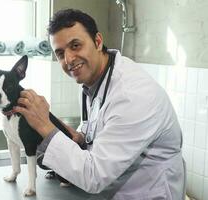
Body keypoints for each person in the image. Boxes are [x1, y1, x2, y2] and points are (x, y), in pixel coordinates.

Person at [13, 8, 186, 200]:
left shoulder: (133, 95)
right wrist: (80, 139)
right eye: (60, 53)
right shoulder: (94, 82)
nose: (69, 59)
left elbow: (93, 176)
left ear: (97, 41)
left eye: (76, 45)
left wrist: (44, 125)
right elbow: (101, 138)